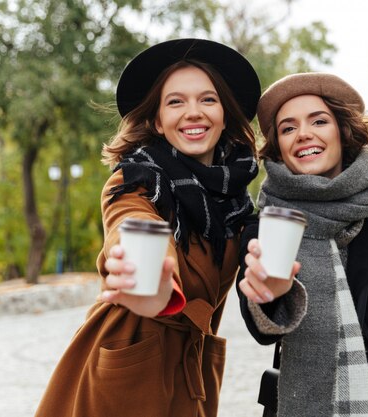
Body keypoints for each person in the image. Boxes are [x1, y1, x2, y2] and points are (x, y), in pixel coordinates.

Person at [35, 38, 261, 417]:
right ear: (157, 120)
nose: (193, 112)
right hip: (126, 367)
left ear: (224, 114)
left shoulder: (236, 202)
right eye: (176, 102)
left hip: (193, 373)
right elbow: (131, 221)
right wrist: (150, 275)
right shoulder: (134, 181)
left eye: (208, 100)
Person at [237, 73, 368, 417]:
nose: (303, 134)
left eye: (319, 121)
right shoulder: (267, 227)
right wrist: (272, 297)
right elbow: (261, 330)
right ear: (279, 147)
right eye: (288, 128)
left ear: (343, 131)